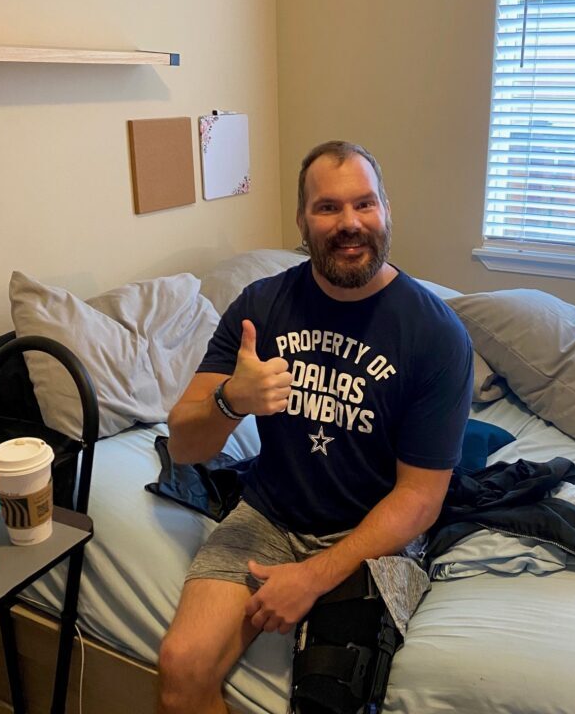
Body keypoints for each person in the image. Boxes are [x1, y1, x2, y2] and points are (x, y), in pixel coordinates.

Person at [157, 140, 473, 714]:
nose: (349, 224)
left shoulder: (436, 334)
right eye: (327, 208)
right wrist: (232, 401)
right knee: (182, 667)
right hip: (270, 515)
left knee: (334, 701)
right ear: (302, 221)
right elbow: (183, 444)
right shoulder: (261, 306)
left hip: (376, 538)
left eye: (364, 205)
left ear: (386, 212)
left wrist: (314, 576)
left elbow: (421, 499)